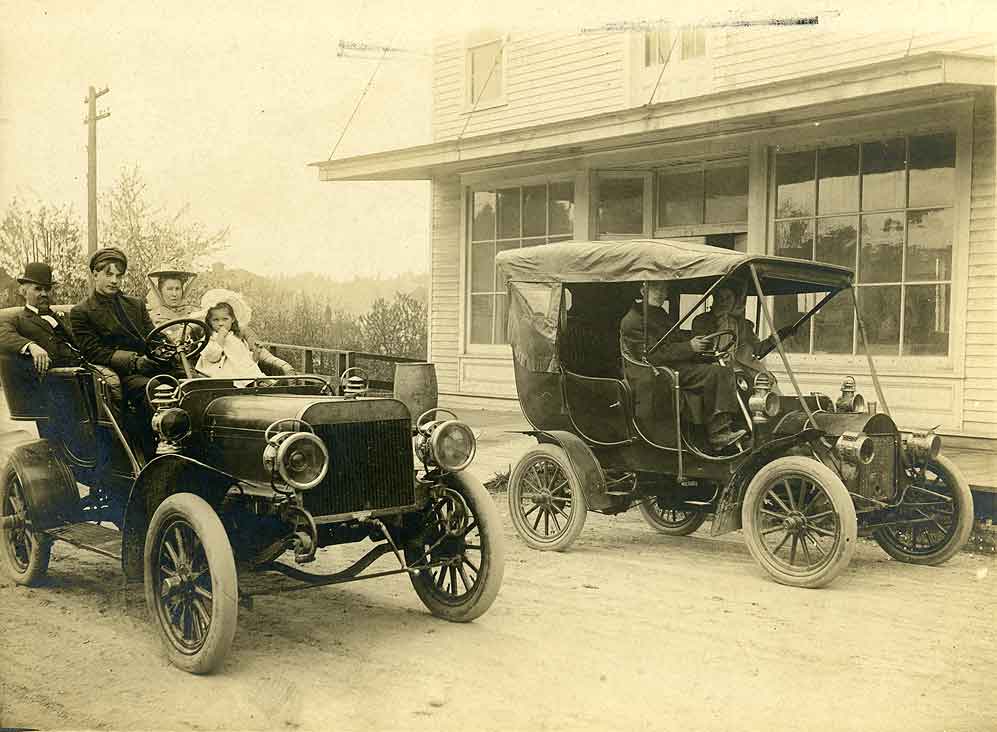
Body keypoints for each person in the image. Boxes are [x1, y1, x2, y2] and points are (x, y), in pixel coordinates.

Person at [620, 281, 747, 452]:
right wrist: (689, 347)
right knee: (719, 373)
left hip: (675, 366)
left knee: (725, 370)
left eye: (664, 289)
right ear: (643, 290)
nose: (661, 293)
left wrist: (698, 345)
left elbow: (675, 340)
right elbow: (651, 355)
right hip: (657, 373)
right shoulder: (633, 321)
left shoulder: (659, 314)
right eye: (656, 288)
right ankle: (719, 434)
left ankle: (735, 427)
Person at [0, 261, 123, 403]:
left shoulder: (62, 316)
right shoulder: (18, 318)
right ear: (24, 291)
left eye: (47, 289)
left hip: (87, 368)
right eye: (38, 289)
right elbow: (3, 334)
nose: (44, 294)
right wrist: (31, 346)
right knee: (111, 384)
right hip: (60, 381)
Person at [70, 247, 161, 416]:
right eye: (109, 274)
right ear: (94, 274)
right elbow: (93, 352)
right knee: (156, 389)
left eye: (119, 276)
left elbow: (154, 336)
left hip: (151, 365)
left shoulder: (136, 304)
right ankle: (158, 439)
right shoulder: (82, 312)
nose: (114, 280)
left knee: (196, 382)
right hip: (121, 375)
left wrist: (168, 349)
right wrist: (134, 361)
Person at [193, 289, 294, 379]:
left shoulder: (234, 338)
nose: (221, 323)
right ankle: (257, 382)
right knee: (238, 376)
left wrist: (256, 353)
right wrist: (220, 338)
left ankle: (261, 382)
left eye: (225, 319)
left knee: (251, 373)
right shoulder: (209, 338)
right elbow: (213, 357)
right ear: (209, 321)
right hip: (219, 374)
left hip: (240, 372)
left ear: (232, 319)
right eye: (216, 320)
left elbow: (245, 360)